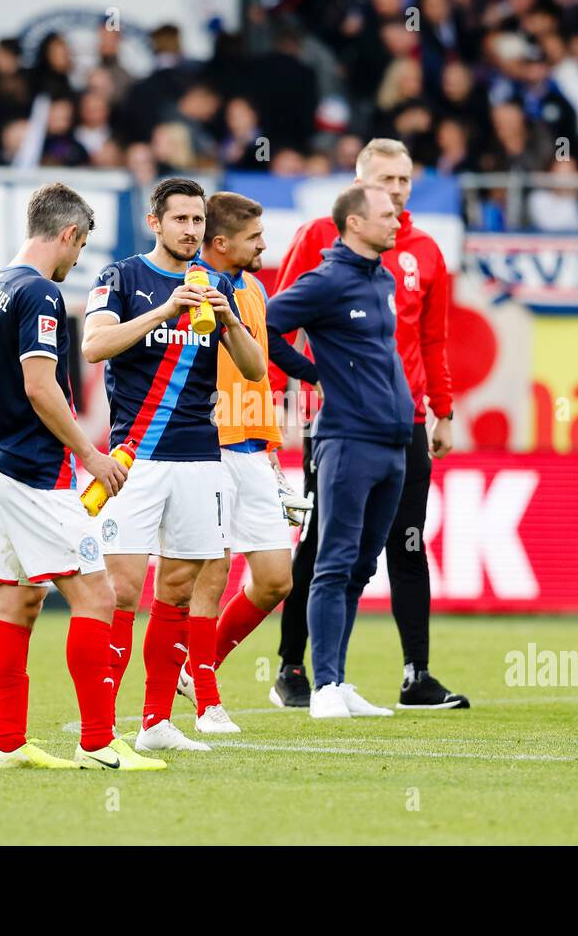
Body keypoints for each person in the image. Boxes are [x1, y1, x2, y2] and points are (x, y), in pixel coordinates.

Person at [0, 182, 164, 772]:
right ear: (68, 235)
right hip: (35, 474)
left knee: (18, 602)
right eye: (80, 246)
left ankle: (6, 744)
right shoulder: (40, 295)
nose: (78, 259)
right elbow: (39, 386)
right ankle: (98, 742)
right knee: (97, 595)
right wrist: (90, 454)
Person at [268, 137, 467, 711]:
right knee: (322, 548)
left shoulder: (414, 257)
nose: (398, 193)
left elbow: (433, 339)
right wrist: (295, 388)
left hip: (398, 425)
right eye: (386, 183)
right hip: (342, 426)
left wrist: (441, 410)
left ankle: (414, 674)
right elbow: (277, 318)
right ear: (359, 192)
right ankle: (296, 669)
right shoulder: (320, 244)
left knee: (397, 547)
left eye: (405, 181)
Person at [82, 177, 265, 751]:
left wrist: (227, 316)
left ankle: (156, 723)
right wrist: (166, 308)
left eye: (197, 221)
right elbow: (94, 346)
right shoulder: (121, 278)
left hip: (199, 456)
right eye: (180, 220)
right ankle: (102, 726)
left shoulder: (218, 285)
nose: (191, 230)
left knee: (180, 587)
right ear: (155, 223)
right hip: (133, 456)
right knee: (122, 589)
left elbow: (256, 370)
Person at [266, 185, 414, 720]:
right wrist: (314, 373)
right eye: (386, 214)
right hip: (347, 440)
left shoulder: (383, 278)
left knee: (360, 567)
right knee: (332, 562)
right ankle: (323, 684)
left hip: (392, 442)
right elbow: (264, 325)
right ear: (353, 224)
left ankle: (339, 679)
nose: (396, 221)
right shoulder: (327, 280)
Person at [171, 192, 306, 729]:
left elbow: (260, 374)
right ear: (222, 243)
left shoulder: (253, 287)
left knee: (275, 578)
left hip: (253, 447)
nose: (264, 245)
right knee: (213, 571)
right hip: (210, 444)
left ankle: (191, 666)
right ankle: (206, 699)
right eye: (255, 238)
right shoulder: (194, 287)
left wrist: (270, 448)